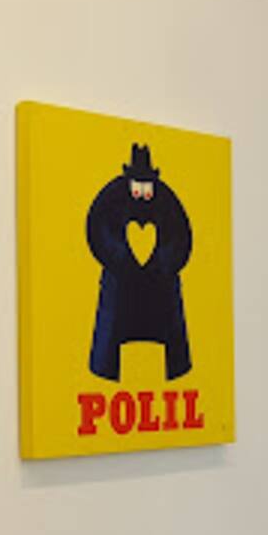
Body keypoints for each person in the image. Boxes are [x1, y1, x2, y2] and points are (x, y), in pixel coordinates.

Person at [87, 144, 193, 382]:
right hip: (121, 281)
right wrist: (119, 258)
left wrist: (163, 264)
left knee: (171, 322)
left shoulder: (166, 200)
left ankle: (177, 366)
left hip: (159, 283)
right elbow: (98, 228)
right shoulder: (112, 197)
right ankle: (104, 367)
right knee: (110, 321)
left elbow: (181, 236)